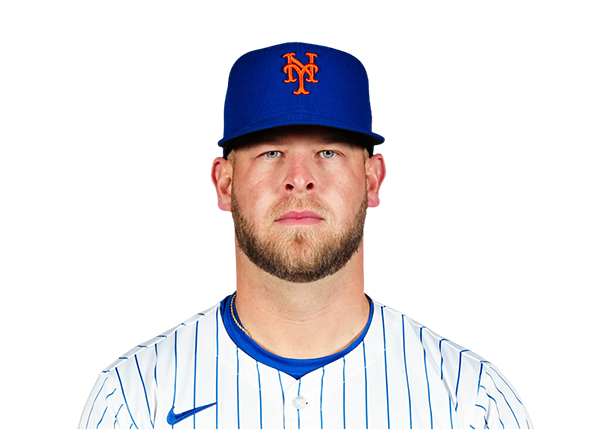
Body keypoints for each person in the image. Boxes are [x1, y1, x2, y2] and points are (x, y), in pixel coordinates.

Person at [79, 42, 532, 429]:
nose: (299, 179)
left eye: (328, 152)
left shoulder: (470, 403)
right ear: (224, 184)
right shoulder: (138, 398)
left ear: (372, 182)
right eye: (271, 151)